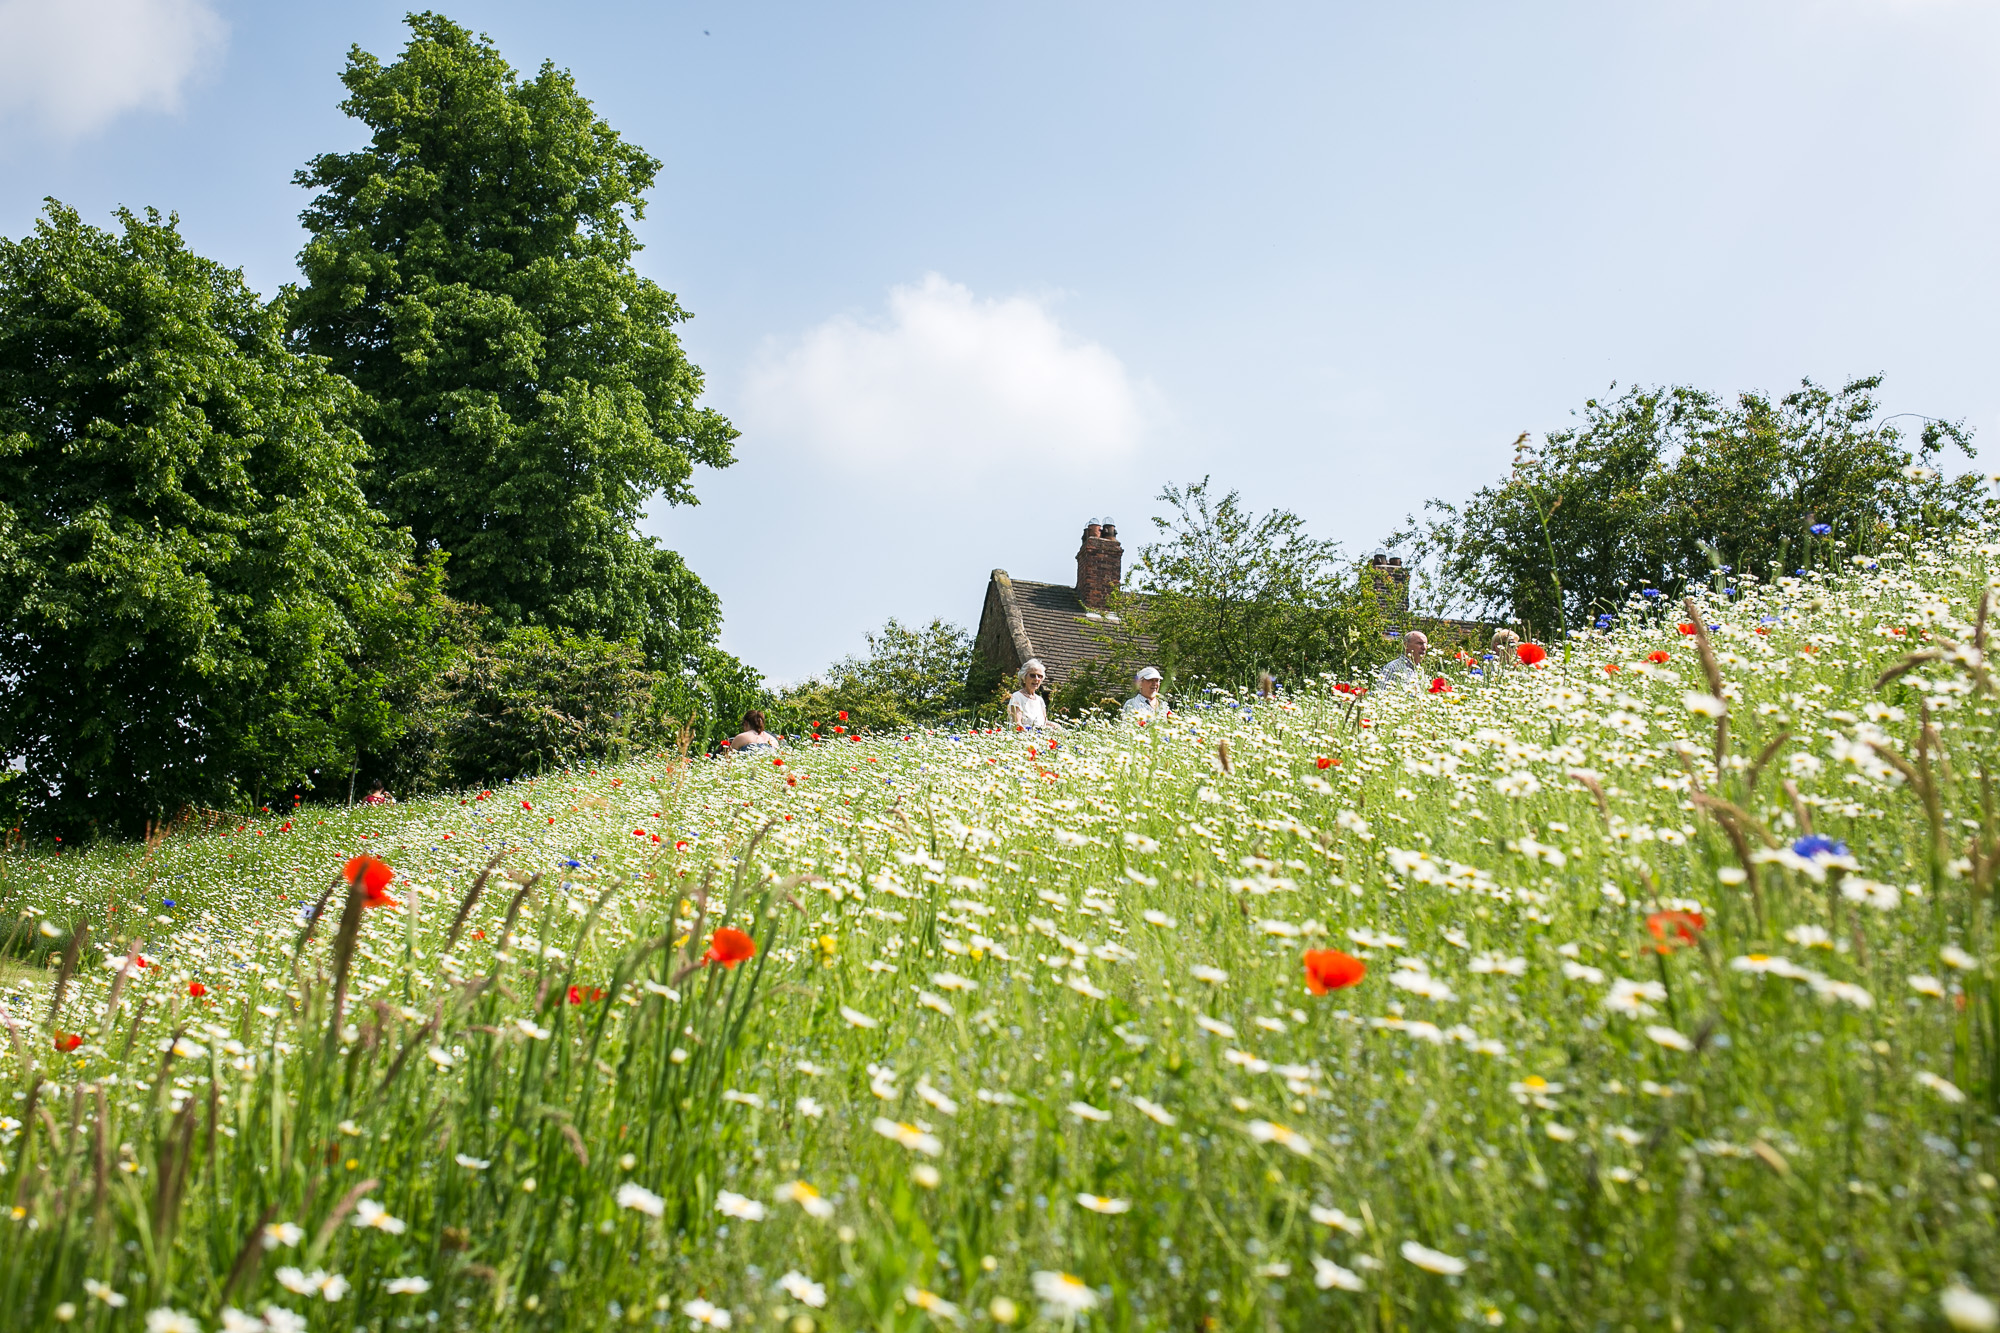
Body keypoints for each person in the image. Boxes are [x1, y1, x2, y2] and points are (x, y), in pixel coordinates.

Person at [1007, 660, 1050, 729]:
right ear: (1024, 677)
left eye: (1040, 676)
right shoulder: (1017, 697)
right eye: (1032, 675)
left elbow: (1045, 723)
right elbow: (1017, 724)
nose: (1036, 679)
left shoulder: (1040, 700)